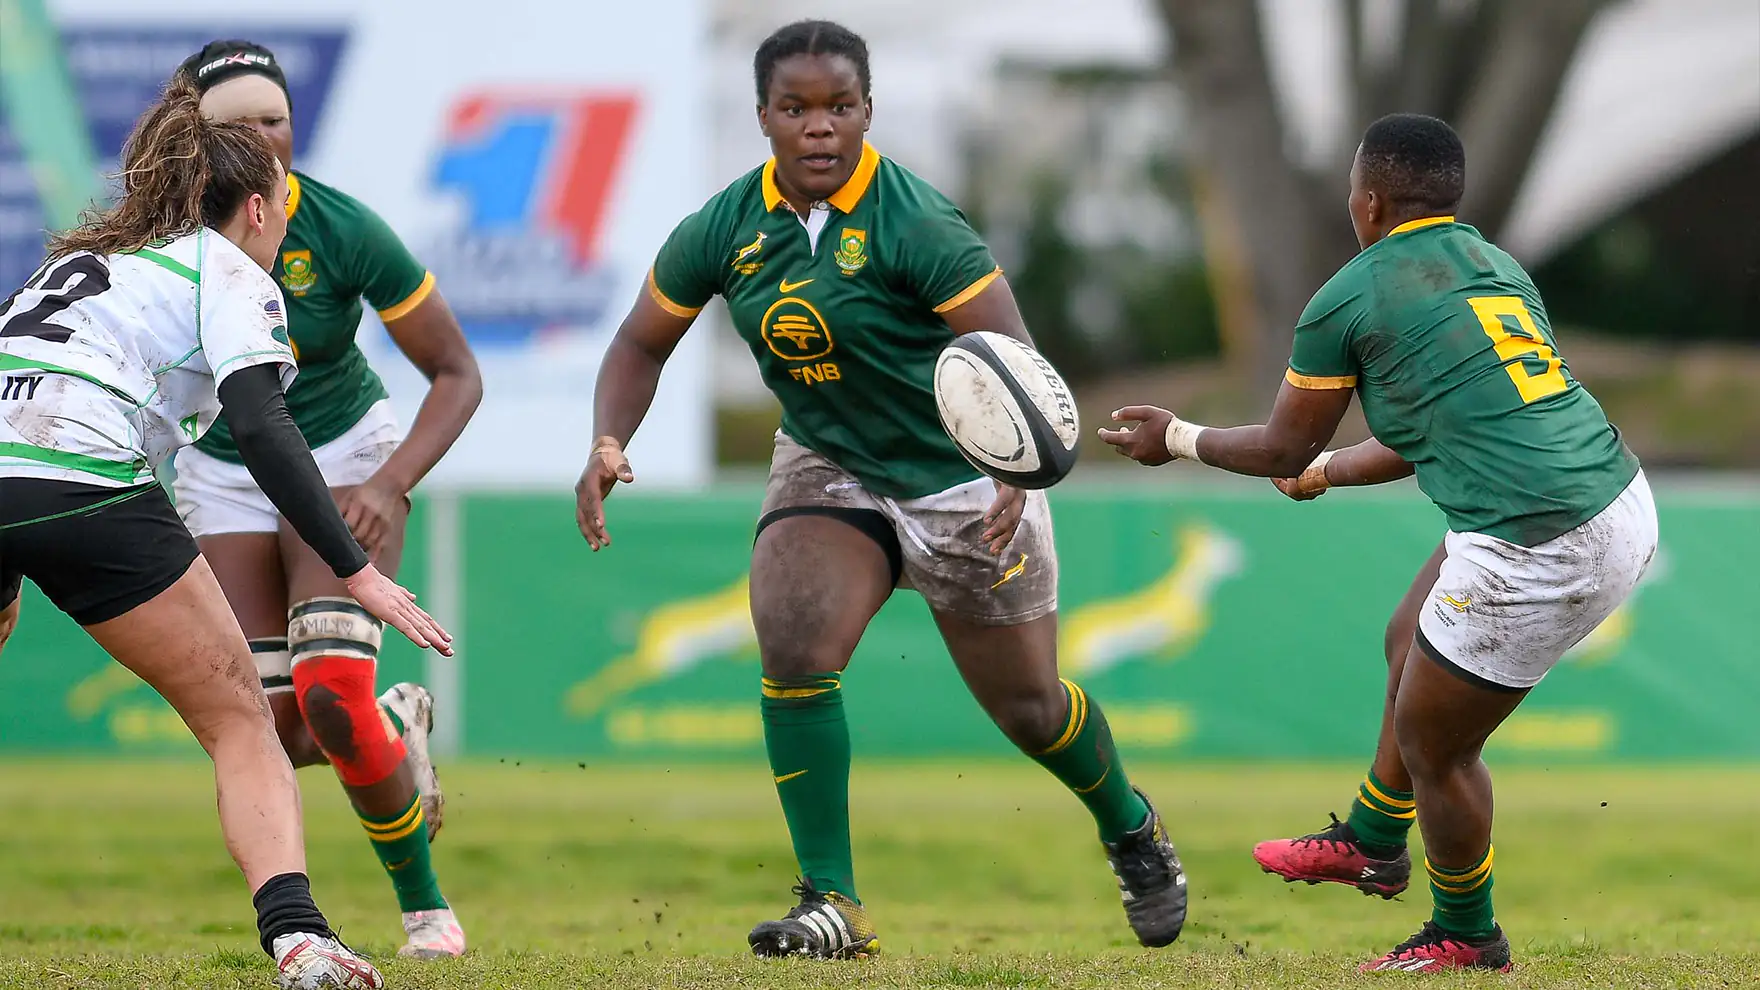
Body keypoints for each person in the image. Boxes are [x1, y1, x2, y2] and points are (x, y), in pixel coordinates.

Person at [574, 19, 1186, 960]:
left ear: (867, 112)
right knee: (792, 640)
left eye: (840, 107)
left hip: (961, 479)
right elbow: (640, 342)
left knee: (1029, 710)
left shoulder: (918, 223)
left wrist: (1013, 473)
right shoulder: (726, 226)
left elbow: (1012, 363)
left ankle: (1132, 827)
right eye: (796, 109)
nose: (819, 128)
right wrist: (609, 440)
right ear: (763, 118)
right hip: (829, 461)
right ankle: (834, 902)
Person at [1100, 113, 1658, 973]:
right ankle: (1370, 837)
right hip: (1614, 495)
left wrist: (1177, 437)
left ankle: (1467, 935)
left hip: (1536, 536)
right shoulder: (1497, 268)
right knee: (1408, 636)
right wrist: (1326, 472)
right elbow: (1411, 435)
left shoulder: (1352, 293)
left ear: (1367, 201)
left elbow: (1277, 445)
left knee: (1438, 746)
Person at [0, 76, 453, 989]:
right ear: (257, 205)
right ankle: (299, 937)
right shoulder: (230, 269)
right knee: (242, 721)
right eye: (280, 210)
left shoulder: (85, 265)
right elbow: (260, 422)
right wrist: (355, 569)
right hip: (89, 483)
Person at [168, 40, 481, 959]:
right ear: (197, 139)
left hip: (344, 455)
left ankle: (427, 913)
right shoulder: (166, 238)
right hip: (224, 470)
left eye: (276, 116)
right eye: (238, 123)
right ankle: (398, 728)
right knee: (270, 730)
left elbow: (456, 372)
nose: (264, 136)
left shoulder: (342, 228)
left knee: (331, 696)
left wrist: (390, 481)